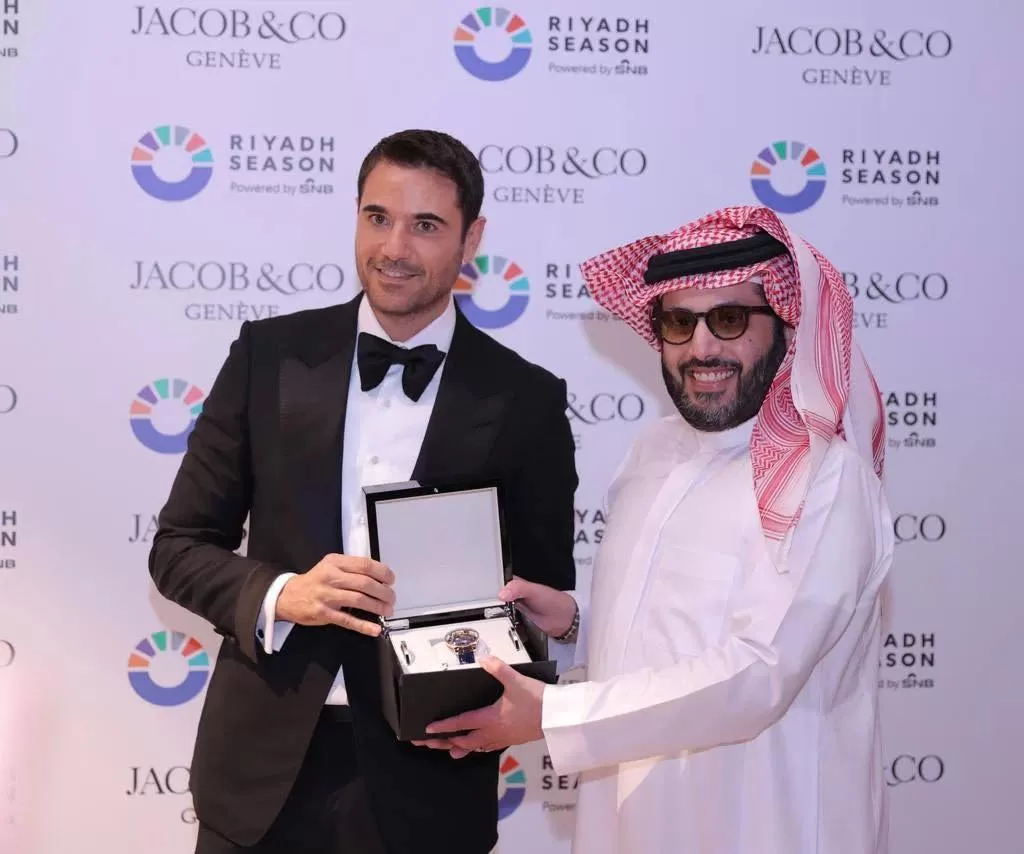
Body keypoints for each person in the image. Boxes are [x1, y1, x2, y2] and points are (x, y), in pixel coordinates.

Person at [148, 128, 578, 854]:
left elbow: (541, 595)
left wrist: (541, 652)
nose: (394, 248)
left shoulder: (525, 399)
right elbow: (179, 547)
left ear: (472, 238)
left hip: (431, 783)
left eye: (426, 225)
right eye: (378, 217)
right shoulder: (269, 357)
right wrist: (283, 593)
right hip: (258, 779)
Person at [419, 204, 894, 854]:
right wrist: (575, 624)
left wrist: (555, 713)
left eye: (729, 320)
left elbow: (759, 673)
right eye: (678, 322)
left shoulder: (825, 479)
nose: (702, 348)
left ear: (785, 323)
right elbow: (668, 631)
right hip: (627, 823)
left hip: (763, 825)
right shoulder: (653, 454)